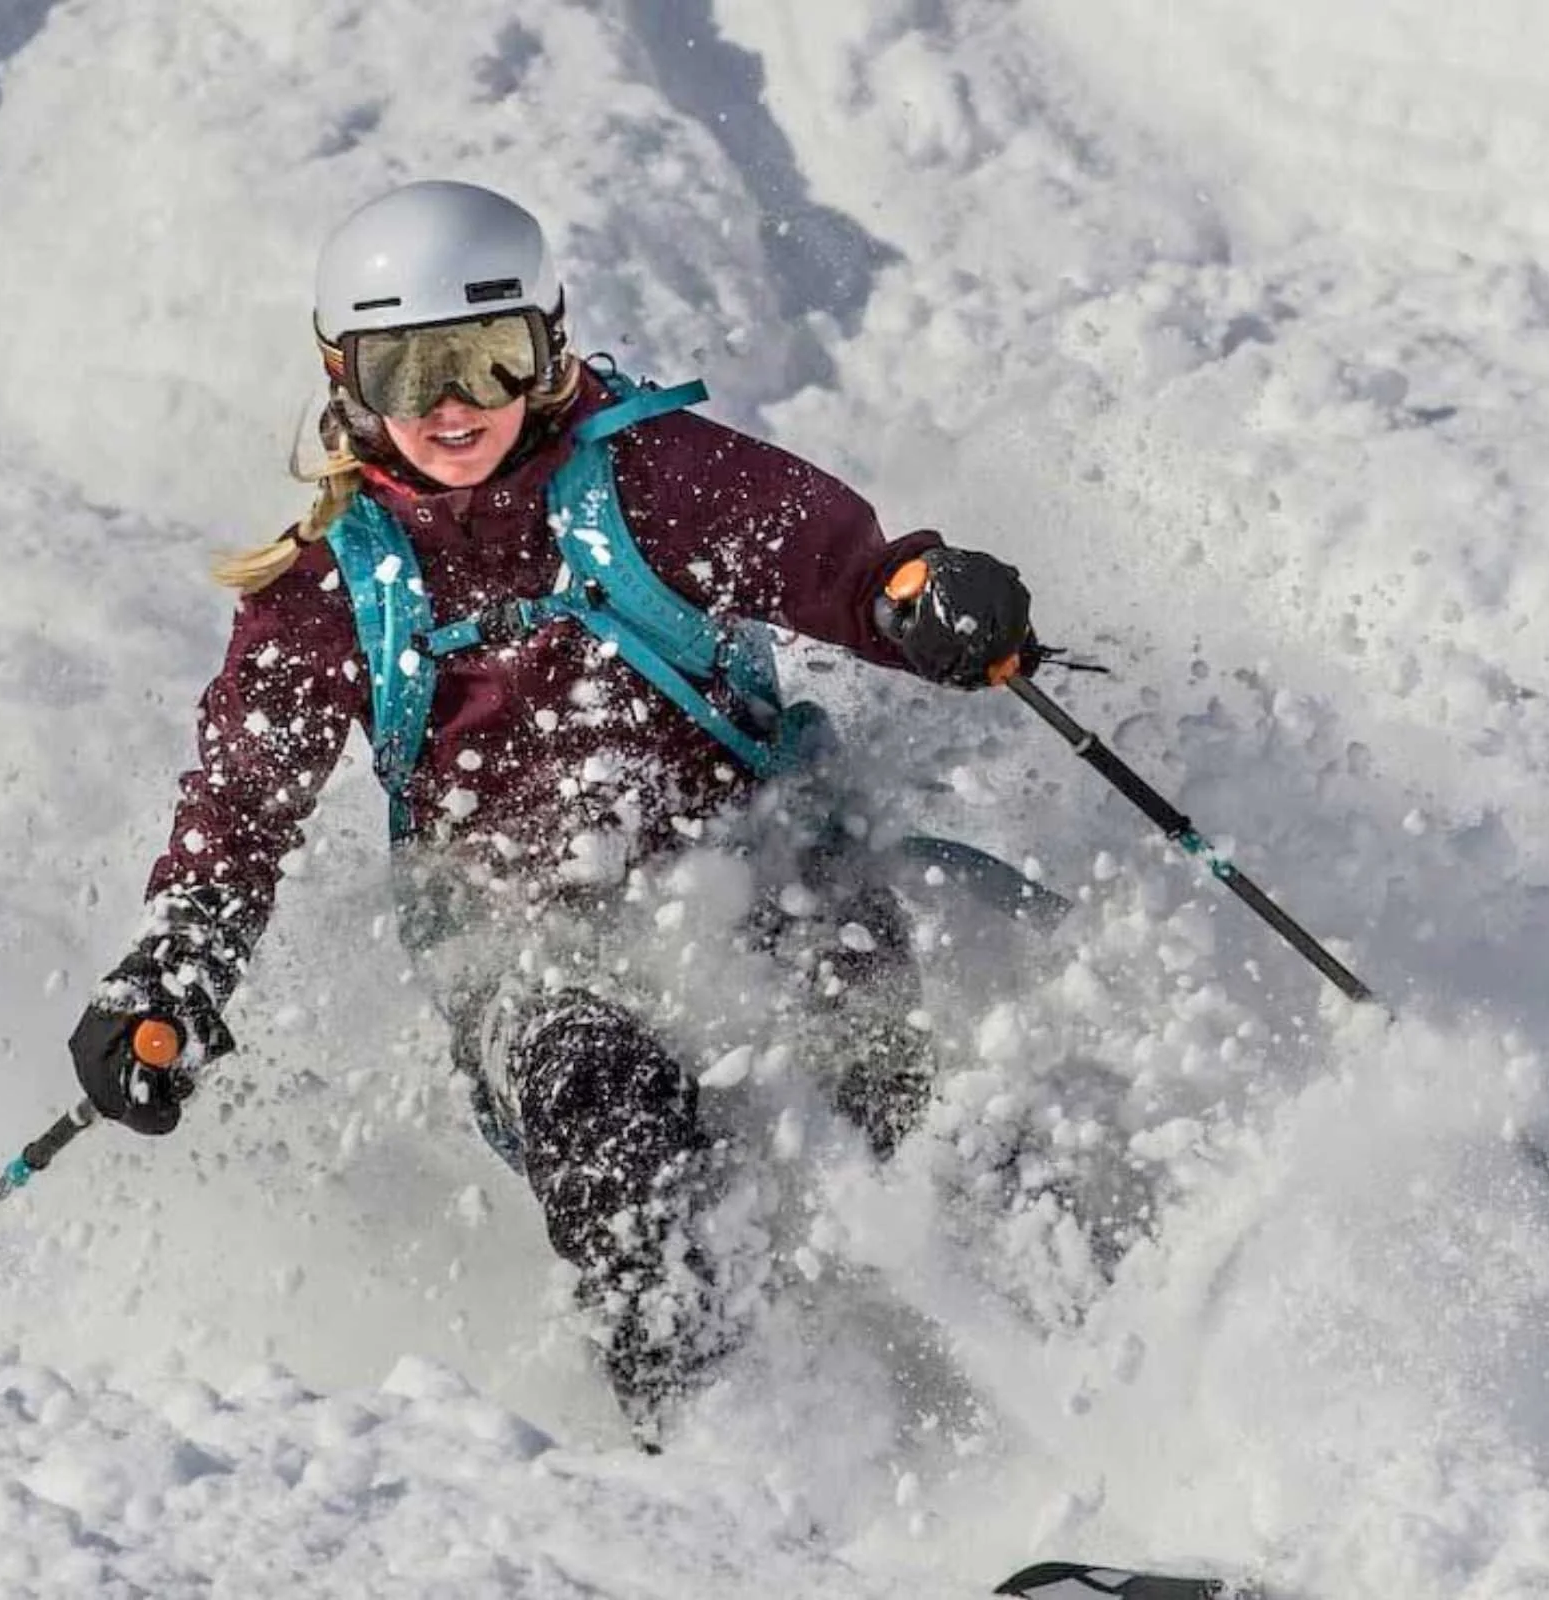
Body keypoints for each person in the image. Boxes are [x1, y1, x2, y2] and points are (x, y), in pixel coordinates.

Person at [67, 179, 1038, 1436]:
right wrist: (175, 969)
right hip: (524, 943)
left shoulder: (653, 475)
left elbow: (836, 563)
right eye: (409, 372)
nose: (455, 405)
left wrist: (919, 596)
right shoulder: (325, 590)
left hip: (761, 862)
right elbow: (242, 806)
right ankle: (723, 1440)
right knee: (596, 1096)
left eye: (488, 356)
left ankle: (1040, 1340)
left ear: (550, 342)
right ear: (344, 379)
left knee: (868, 1021)